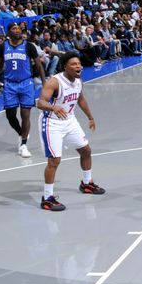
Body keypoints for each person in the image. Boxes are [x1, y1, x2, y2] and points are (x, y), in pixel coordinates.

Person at [35, 52, 105, 212]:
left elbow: (80, 99)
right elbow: (40, 102)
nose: (78, 66)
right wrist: (53, 106)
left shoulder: (79, 81)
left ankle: (86, 183)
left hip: (70, 120)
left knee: (86, 151)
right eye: (73, 64)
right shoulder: (55, 82)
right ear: (65, 66)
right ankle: (47, 198)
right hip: (52, 122)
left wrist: (90, 117)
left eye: (79, 64)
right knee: (54, 161)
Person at [0, 22, 45, 157]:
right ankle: (21, 133)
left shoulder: (28, 46)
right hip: (9, 84)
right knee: (10, 115)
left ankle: (24, 144)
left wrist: (45, 83)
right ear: (9, 32)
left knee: (25, 114)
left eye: (19, 28)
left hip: (26, 83)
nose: (17, 30)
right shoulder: (3, 47)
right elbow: (0, 65)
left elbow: (39, 65)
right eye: (14, 28)